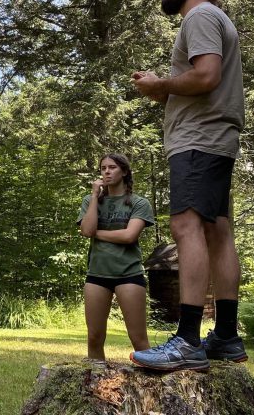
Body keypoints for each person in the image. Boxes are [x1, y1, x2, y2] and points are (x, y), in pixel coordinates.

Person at [131, 0, 246, 371]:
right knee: (218, 230)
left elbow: (205, 76)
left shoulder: (198, 17)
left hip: (199, 138)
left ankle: (188, 341)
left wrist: (161, 85)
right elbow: (203, 79)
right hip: (216, 137)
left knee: (186, 225)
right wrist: (164, 90)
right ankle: (227, 337)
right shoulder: (216, 17)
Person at [78, 154, 154, 362]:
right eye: (103, 168)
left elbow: (129, 236)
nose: (107, 172)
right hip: (97, 275)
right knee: (94, 337)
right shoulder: (90, 201)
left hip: (129, 274)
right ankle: (94, 386)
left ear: (125, 172)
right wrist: (95, 196)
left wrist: (97, 234)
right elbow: (86, 229)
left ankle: (151, 389)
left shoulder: (139, 203)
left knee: (138, 339)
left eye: (112, 167)